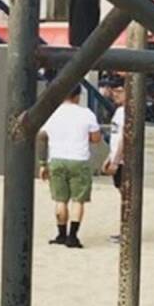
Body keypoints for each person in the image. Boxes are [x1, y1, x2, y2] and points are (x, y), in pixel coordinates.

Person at [38, 87, 102, 248]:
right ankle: (72, 236)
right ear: (77, 96)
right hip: (79, 159)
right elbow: (96, 138)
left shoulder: (52, 113)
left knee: (60, 200)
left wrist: (42, 163)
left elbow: (42, 136)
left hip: (56, 158)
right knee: (78, 200)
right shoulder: (86, 114)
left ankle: (61, 234)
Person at [100, 75, 126, 243]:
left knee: (126, 196)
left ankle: (127, 230)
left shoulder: (128, 111)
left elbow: (125, 138)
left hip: (124, 161)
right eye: (114, 91)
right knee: (122, 194)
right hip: (117, 157)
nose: (115, 94)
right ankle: (124, 229)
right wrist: (109, 158)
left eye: (119, 91)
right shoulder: (119, 111)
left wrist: (116, 160)